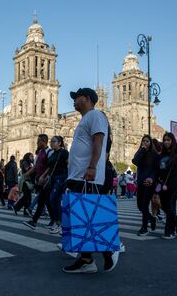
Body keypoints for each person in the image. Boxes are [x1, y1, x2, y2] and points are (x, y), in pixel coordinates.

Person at [62, 87, 119, 274]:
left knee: (90, 216)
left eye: (76, 97)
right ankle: (86, 259)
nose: (73, 101)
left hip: (88, 176)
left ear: (87, 98)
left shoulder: (95, 116)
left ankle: (108, 249)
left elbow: (98, 141)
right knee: (82, 218)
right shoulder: (85, 119)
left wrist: (93, 167)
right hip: (79, 176)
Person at [22, 134, 53, 228]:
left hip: (45, 181)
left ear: (43, 141)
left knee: (42, 201)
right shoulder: (40, 153)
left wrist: (44, 177)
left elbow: (50, 167)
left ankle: (34, 221)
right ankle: (54, 221)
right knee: (46, 201)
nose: (37, 143)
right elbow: (35, 166)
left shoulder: (49, 152)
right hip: (39, 180)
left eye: (38, 141)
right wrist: (27, 174)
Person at [132, 134, 159, 236]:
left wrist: (152, 178)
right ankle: (152, 218)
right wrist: (142, 150)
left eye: (147, 141)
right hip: (140, 182)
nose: (145, 143)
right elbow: (135, 161)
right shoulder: (140, 152)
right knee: (140, 206)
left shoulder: (154, 154)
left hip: (149, 183)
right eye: (144, 141)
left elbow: (156, 169)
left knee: (144, 205)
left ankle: (144, 227)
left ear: (150, 143)